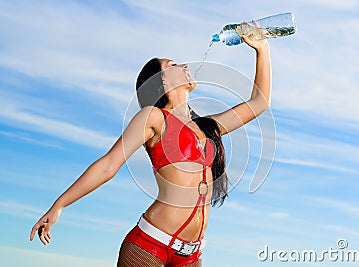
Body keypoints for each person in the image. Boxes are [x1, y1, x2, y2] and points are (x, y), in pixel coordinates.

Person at [30, 30, 272, 266]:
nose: (185, 65)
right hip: (150, 246)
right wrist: (59, 205)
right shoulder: (154, 118)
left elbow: (259, 103)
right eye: (173, 64)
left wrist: (262, 49)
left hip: (192, 255)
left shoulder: (207, 127)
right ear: (162, 80)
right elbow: (108, 165)